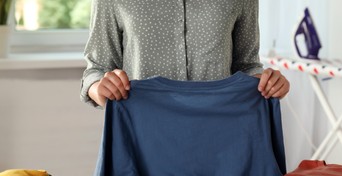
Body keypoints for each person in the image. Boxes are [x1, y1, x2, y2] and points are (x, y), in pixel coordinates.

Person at [80, 0, 290, 108]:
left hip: (220, 135)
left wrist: (268, 83)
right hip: (143, 137)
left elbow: (246, 65)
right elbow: (97, 68)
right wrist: (101, 89)